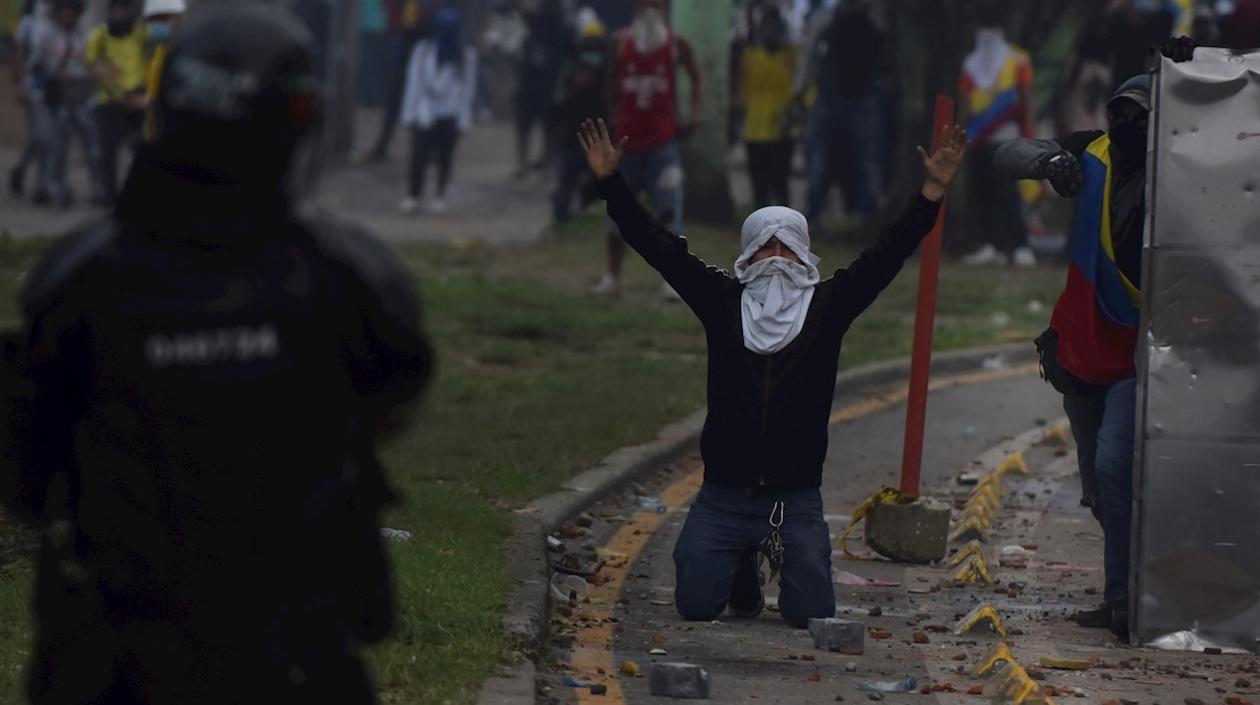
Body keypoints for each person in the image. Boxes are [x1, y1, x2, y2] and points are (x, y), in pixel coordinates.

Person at [0, 5, 433, 703]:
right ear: (296, 123)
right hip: (289, 656)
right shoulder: (349, 283)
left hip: (115, 660)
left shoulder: (77, 281)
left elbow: (23, 470)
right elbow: (394, 398)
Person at [577, 116, 967, 627]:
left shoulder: (829, 306)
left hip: (794, 497)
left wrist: (931, 192)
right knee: (696, 603)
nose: (776, 259)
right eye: (765, 247)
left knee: (810, 614)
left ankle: (773, 553)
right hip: (723, 493)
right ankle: (741, 562)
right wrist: (611, 183)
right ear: (747, 253)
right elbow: (659, 247)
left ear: (804, 254)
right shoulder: (722, 301)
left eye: (787, 248)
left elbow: (887, 254)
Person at [995, 39, 1194, 642]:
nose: (1129, 125)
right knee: (1099, 486)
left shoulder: (1184, 176)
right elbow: (1008, 151)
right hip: (1081, 349)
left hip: (1139, 354)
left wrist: (1197, 75)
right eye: (1120, 115)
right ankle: (1121, 593)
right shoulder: (1091, 156)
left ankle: (1129, 599)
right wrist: (1049, 164)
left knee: (1114, 464)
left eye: (1142, 115)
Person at [590, 0, 702, 296]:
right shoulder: (620, 42)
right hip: (626, 146)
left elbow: (696, 75)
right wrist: (612, 115)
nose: (650, 6)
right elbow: (610, 80)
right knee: (617, 210)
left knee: (668, 211)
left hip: (663, 144)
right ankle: (613, 276)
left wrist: (694, 114)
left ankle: (673, 278)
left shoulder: (677, 43)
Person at [792, 0, 885, 229]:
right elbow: (811, 54)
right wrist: (800, 89)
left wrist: (800, 89)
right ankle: (815, 214)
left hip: (860, 98)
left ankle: (867, 216)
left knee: (865, 159)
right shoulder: (829, 18)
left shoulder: (875, 19)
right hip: (833, 98)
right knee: (819, 159)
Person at [957, 9, 1037, 268]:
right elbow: (966, 103)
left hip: (1007, 137)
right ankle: (990, 245)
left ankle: (1021, 246)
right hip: (979, 139)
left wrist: (1029, 134)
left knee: (1010, 194)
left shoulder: (1018, 60)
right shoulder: (970, 64)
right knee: (983, 193)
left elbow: (1025, 99)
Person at [398, 6, 477, 214]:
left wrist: (464, 120)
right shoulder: (423, 51)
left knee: (445, 157)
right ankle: (413, 195)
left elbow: (468, 90)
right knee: (419, 155)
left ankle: (440, 195)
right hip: (424, 112)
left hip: (450, 113)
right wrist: (409, 114)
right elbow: (413, 83)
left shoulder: (466, 56)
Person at [26, 0, 104, 208]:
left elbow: (93, 63)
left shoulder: (83, 35)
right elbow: (35, 66)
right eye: (64, 9)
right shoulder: (47, 35)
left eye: (72, 9)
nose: (67, 14)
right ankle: (56, 190)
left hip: (80, 97)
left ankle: (100, 188)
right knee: (55, 147)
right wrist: (54, 75)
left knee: (93, 145)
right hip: (55, 99)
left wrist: (90, 75)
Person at [85, 0, 148, 205]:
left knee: (141, 148)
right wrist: (104, 75)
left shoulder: (141, 32)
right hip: (110, 101)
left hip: (138, 99)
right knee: (107, 153)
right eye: (116, 10)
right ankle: (110, 198)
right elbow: (89, 66)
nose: (119, 14)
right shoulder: (99, 36)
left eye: (124, 9)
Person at [551, 10, 609, 223]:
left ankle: (587, 224)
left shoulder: (607, 76)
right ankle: (561, 224)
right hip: (571, 141)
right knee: (565, 188)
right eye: (588, 46)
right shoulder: (569, 74)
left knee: (596, 191)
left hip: (597, 142)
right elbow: (556, 107)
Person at [736, 7, 797, 209]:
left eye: (775, 27)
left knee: (781, 180)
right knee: (759, 182)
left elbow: (804, 90)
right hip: (755, 128)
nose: (771, 32)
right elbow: (743, 89)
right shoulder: (751, 57)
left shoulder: (791, 57)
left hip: (783, 130)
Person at [514, 0, 569, 178]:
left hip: (547, 85)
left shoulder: (557, 30)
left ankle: (546, 164)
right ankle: (524, 164)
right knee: (525, 125)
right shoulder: (530, 32)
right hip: (529, 85)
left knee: (548, 127)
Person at [8, 0, 47, 200]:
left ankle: (29, 176)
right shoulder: (28, 22)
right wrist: (17, 84)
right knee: (40, 136)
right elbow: (19, 54)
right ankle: (38, 184)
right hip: (34, 87)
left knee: (48, 139)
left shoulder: (61, 16)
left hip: (58, 88)